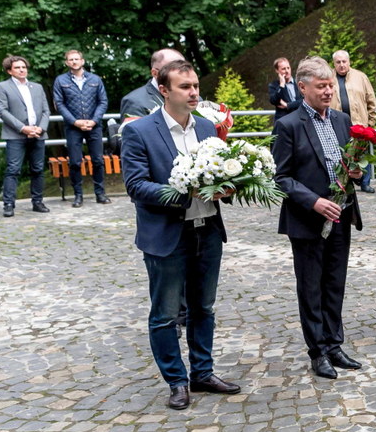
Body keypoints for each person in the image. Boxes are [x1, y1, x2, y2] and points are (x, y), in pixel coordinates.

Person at [120, 54, 240, 409]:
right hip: (166, 235)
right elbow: (136, 186)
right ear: (163, 90)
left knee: (204, 307)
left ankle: (202, 373)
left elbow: (218, 177)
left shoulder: (205, 127)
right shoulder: (139, 131)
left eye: (196, 86)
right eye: (185, 87)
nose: (193, 93)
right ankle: (175, 380)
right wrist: (182, 192)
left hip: (208, 230)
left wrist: (230, 187)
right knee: (166, 313)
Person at [274, 57, 365, 380]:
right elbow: (281, 177)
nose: (328, 91)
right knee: (311, 287)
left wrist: (355, 171)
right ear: (302, 88)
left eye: (330, 85)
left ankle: (334, 343)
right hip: (308, 220)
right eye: (321, 86)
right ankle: (318, 351)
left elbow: (349, 163)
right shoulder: (289, 125)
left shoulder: (341, 120)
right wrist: (313, 202)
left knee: (335, 283)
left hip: (341, 214)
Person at [52, 49, 111, 208]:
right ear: (66, 63)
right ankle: (78, 195)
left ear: (82, 61)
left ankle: (100, 193)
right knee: (75, 162)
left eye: (76, 59)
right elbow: (59, 104)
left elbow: (103, 102)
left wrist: (93, 120)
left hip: (94, 126)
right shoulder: (60, 81)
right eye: (70, 60)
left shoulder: (95, 79)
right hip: (73, 127)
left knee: (98, 160)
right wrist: (75, 122)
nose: (74, 62)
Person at [0, 55, 51, 217]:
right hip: (15, 135)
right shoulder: (2, 86)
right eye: (17, 68)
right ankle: (8, 204)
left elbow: (46, 111)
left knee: (38, 169)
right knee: (13, 170)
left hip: (38, 134)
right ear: (9, 71)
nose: (22, 70)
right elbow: (2, 111)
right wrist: (23, 128)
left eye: (24, 67)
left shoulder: (37, 87)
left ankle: (37, 202)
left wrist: (40, 128)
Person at [330, 50, 376, 193]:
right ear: (334, 64)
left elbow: (371, 100)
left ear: (349, 62)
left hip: (359, 124)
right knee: (340, 154)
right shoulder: (329, 78)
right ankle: (342, 181)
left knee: (361, 153)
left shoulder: (361, 77)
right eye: (338, 62)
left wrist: (371, 123)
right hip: (337, 124)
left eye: (344, 61)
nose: (341, 65)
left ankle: (365, 182)